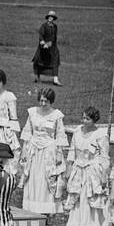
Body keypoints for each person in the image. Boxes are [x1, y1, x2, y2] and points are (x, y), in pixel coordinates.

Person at [17, 86, 69, 217]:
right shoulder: (33, 112)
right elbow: (28, 132)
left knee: (46, 180)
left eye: (46, 101)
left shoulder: (56, 115)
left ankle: (45, 211)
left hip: (49, 151)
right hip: (34, 150)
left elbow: (60, 135)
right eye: (41, 100)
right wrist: (25, 151)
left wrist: (58, 154)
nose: (43, 104)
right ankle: (31, 209)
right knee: (33, 178)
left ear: (51, 101)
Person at [65, 106, 111, 226]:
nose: (84, 121)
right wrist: (69, 167)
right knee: (77, 199)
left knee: (89, 200)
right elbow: (72, 150)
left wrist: (104, 175)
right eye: (83, 118)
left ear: (94, 120)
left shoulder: (101, 135)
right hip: (78, 168)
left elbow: (104, 156)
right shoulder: (78, 131)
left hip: (92, 169)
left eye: (88, 119)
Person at [33, 10, 62, 85]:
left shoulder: (55, 27)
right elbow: (41, 35)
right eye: (49, 16)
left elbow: (54, 37)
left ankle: (55, 80)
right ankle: (37, 76)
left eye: (52, 17)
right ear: (47, 17)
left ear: (54, 18)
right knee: (39, 61)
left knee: (55, 61)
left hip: (53, 47)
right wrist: (43, 43)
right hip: (44, 47)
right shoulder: (44, 26)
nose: (50, 18)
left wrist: (52, 45)